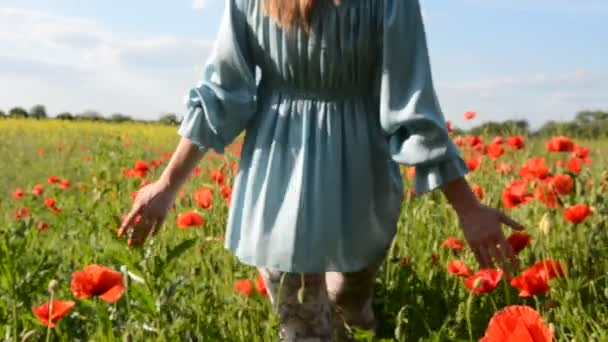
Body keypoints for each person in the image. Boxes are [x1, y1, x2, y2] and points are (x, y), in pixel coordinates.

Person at [119, 0, 524, 340]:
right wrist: (167, 185)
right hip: (278, 179)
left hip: (359, 175)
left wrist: (468, 207)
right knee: (303, 325)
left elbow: (411, 107)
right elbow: (222, 93)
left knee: (349, 299)